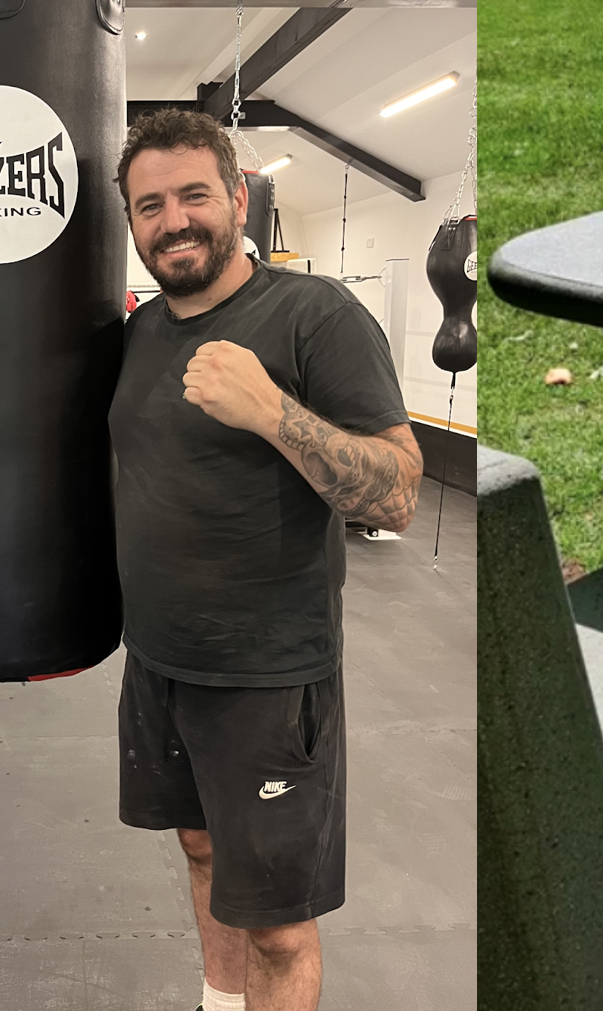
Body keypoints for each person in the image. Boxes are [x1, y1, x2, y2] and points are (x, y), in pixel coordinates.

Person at [109, 109, 422, 1011]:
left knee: (280, 922)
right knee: (200, 849)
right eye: (150, 205)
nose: (174, 220)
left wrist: (271, 412)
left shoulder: (314, 315)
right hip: (162, 661)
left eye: (195, 195)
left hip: (269, 677)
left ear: (238, 198)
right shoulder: (141, 333)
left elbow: (399, 491)